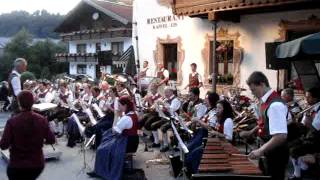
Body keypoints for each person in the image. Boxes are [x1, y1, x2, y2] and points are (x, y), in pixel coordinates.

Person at [0, 90, 56, 180]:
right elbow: (52, 140)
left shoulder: (12, 121)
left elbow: (3, 146)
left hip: (17, 166)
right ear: (32, 102)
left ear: (19, 103)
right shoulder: (42, 120)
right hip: (37, 165)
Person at [246, 71, 288, 180]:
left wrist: (261, 150)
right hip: (268, 151)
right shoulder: (266, 102)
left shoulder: (275, 105)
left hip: (275, 154)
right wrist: (252, 132)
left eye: (253, 90)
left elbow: (280, 136)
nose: (252, 93)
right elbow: (265, 124)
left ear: (262, 84)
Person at [87, 96, 139, 180]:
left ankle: (100, 171)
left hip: (127, 143)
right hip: (133, 140)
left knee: (101, 149)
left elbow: (114, 131)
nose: (118, 107)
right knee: (105, 141)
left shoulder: (127, 118)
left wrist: (115, 116)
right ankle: (100, 169)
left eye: (119, 105)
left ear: (125, 105)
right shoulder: (133, 114)